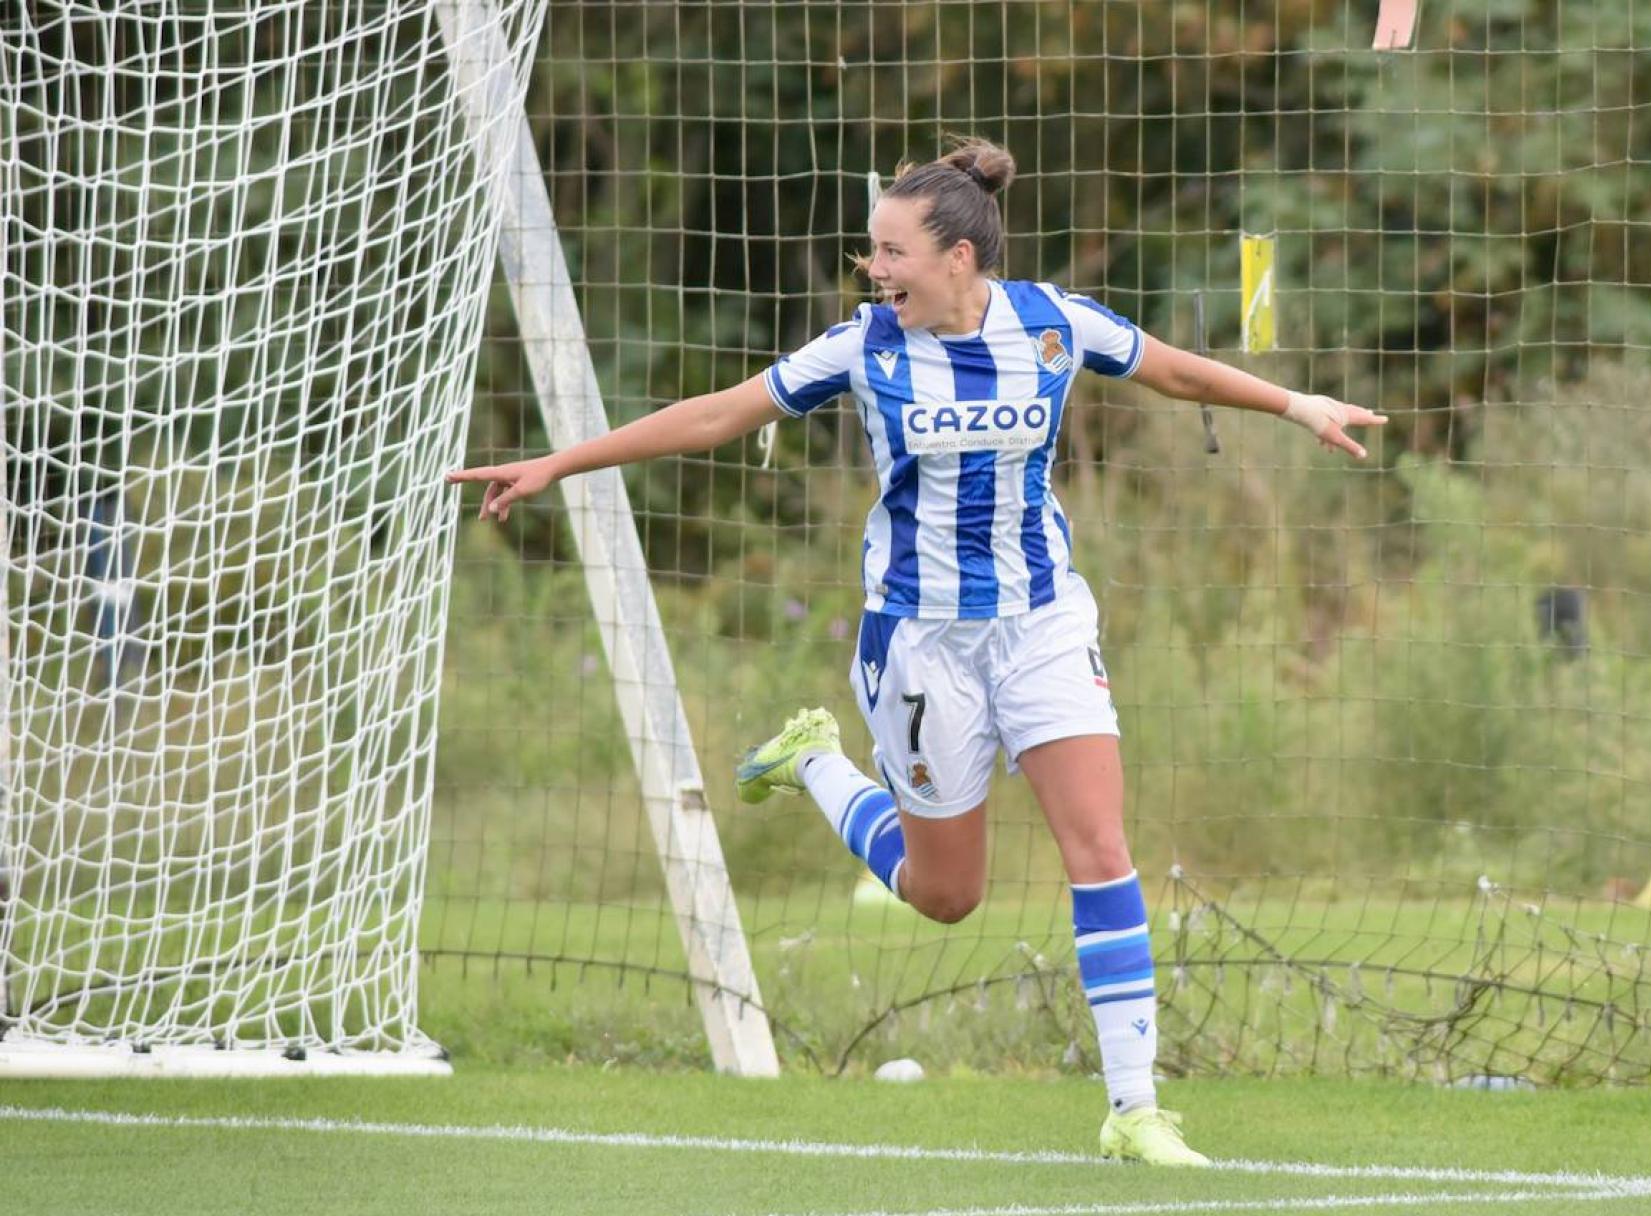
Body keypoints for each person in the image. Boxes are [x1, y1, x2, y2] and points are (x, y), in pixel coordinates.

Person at [448, 138, 1384, 1166]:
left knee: (1100, 850)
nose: (874, 270)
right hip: (918, 647)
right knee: (947, 897)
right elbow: (720, 414)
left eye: (891, 252)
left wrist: (1298, 404)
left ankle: (1134, 1109)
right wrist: (560, 461)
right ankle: (815, 758)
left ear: (959, 259)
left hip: (1041, 625)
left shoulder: (1050, 323)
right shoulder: (861, 349)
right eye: (869, 254)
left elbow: (1165, 365)